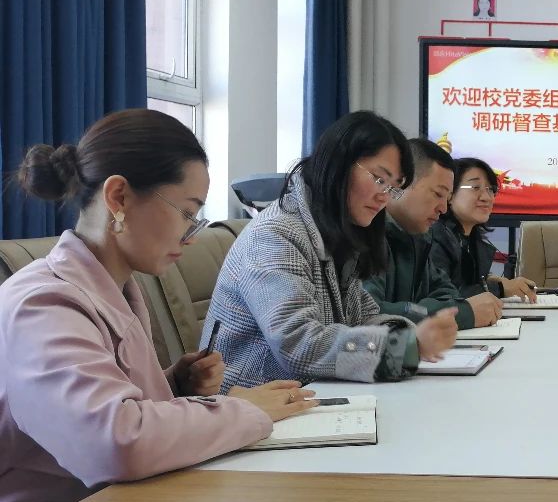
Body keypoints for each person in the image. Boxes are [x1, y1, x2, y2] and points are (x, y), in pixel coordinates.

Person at [0, 110, 315, 502]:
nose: (191, 235)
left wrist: (175, 385)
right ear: (119, 198)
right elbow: (114, 443)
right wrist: (246, 410)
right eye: (187, 212)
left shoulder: (115, 287)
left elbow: (91, 406)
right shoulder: (41, 304)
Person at [205, 111, 458, 389]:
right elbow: (299, 344)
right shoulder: (276, 234)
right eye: (379, 179)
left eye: (392, 188)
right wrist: (406, 347)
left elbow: (362, 317)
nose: (384, 197)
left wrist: (411, 335)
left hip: (309, 392)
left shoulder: (337, 233)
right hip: (253, 399)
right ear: (340, 164)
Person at [364, 139, 503, 329]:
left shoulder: (418, 238)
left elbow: (448, 295)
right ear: (400, 183)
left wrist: (421, 310)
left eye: (447, 198)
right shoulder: (365, 235)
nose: (443, 208)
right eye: (438, 194)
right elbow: (370, 314)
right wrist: (458, 314)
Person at [427, 157, 536, 302]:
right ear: (450, 195)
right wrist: (501, 288)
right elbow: (442, 297)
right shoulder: (436, 237)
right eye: (475, 188)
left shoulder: (470, 239)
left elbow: (461, 282)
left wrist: (489, 281)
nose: (486, 197)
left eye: (490, 189)